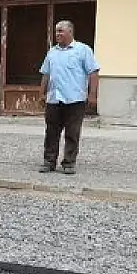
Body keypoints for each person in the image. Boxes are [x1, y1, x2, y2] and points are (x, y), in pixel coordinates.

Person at [38, 20, 100, 174]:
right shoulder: (52, 52)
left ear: (70, 32)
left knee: (72, 133)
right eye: (56, 31)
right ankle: (49, 161)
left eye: (60, 31)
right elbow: (46, 74)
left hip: (75, 99)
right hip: (54, 99)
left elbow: (93, 72)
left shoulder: (83, 50)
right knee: (51, 132)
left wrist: (92, 95)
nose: (57, 34)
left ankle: (69, 162)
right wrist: (41, 93)